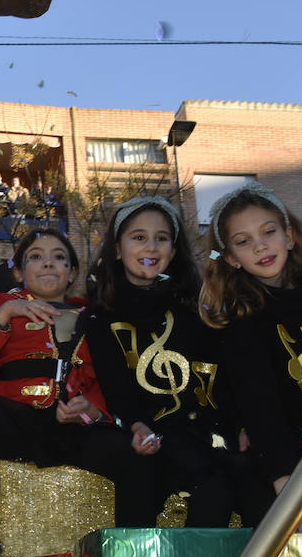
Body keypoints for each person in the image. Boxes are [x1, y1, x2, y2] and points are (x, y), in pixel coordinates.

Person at [0, 229, 156, 557]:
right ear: (19, 272)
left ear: (71, 274)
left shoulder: (94, 318)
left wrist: (94, 411)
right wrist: (5, 313)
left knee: (134, 453)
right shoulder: (3, 308)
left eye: (59, 257)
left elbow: (110, 380)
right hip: (19, 423)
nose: (47, 263)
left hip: (76, 428)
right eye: (35, 257)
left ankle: (135, 552)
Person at [201, 181, 302, 531]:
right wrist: (282, 472)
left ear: (289, 235)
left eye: (268, 232)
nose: (260, 245)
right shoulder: (241, 317)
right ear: (230, 257)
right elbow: (257, 402)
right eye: (243, 241)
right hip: (286, 451)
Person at [80, 196, 248, 527]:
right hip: (145, 433)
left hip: (201, 432)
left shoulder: (196, 309)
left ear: (173, 251)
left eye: (162, 238)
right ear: (117, 248)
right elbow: (116, 386)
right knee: (142, 472)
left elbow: (218, 378)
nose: (151, 247)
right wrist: (137, 425)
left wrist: (238, 427)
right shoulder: (100, 316)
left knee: (226, 476)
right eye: (139, 237)